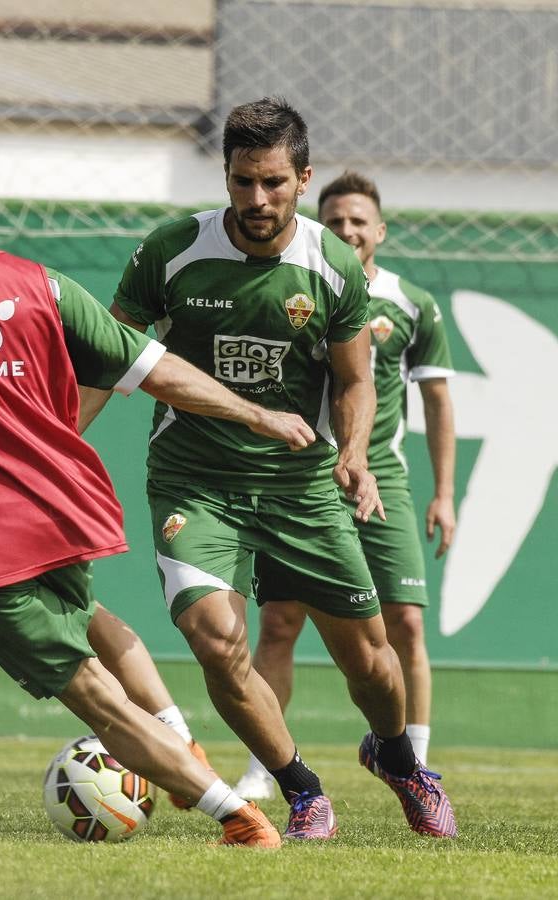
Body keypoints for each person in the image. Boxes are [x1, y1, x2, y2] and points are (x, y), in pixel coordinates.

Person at [0, 133, 325, 848]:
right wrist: (256, 412)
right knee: (96, 622)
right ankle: (180, 740)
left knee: (97, 701)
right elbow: (156, 369)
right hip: (53, 509)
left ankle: (236, 816)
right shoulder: (44, 286)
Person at [97, 98, 456, 839]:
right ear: (224, 176)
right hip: (195, 480)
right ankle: (300, 789)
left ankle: (395, 758)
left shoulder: (329, 264)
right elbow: (110, 354)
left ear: (302, 178)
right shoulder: (170, 252)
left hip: (300, 484)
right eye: (240, 183)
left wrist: (353, 455)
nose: (255, 201)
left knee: (371, 665)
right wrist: (59, 439)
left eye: (272, 184)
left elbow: (355, 381)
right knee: (213, 636)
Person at [234, 171, 457, 800]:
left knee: (405, 623)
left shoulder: (411, 304)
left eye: (359, 220)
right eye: (335, 221)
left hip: (381, 474)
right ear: (315, 225)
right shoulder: (300, 285)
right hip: (303, 473)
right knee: (280, 621)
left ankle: (412, 763)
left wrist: (444, 492)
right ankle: (262, 769)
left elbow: (438, 401)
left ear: (379, 231)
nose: (348, 230)